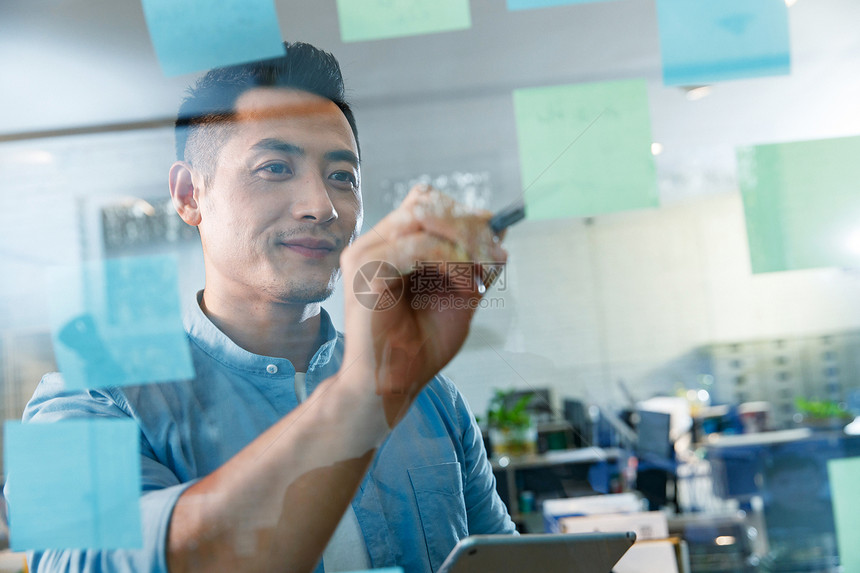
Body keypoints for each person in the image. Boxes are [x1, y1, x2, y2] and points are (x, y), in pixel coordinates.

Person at [5, 42, 515, 572]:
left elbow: (508, 564)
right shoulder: (76, 403)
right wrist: (363, 394)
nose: (321, 206)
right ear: (189, 194)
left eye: (343, 176)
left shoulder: (433, 400)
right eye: (274, 167)